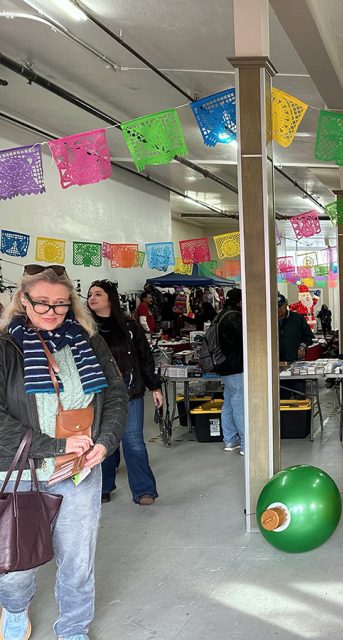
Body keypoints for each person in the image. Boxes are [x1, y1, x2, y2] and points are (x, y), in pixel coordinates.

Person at [0, 264, 127, 640]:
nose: (52, 312)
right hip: (22, 472)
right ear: (23, 301)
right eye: (41, 303)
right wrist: (53, 445)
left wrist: (105, 441)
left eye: (60, 304)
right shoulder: (5, 346)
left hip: (79, 470)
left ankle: (73, 627)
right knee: (17, 561)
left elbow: (116, 395)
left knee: (77, 560)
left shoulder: (89, 340)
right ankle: (14, 608)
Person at [87, 280, 161, 505]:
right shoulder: (84, 328)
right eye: (90, 294)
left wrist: (155, 387)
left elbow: (145, 358)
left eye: (98, 294)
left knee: (133, 442)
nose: (92, 298)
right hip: (98, 396)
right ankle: (103, 486)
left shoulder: (129, 326)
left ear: (110, 298)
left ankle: (143, 490)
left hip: (130, 392)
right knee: (103, 442)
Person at [214, 289, 244, 455]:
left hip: (223, 365)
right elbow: (244, 338)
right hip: (235, 366)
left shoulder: (220, 315)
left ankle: (230, 440)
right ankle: (246, 443)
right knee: (239, 402)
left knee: (229, 402)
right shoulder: (234, 317)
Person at [278, 295, 314, 400]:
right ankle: (284, 416)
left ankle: (300, 416)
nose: (279, 310)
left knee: (300, 396)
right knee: (282, 399)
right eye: (276, 306)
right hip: (277, 367)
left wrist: (302, 347)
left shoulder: (297, 319)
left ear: (286, 305)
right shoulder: (268, 320)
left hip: (296, 365)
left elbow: (308, 337)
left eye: (281, 306)